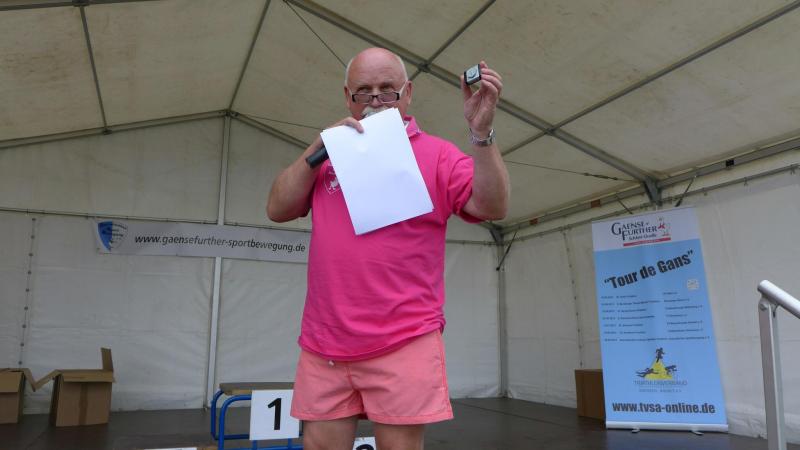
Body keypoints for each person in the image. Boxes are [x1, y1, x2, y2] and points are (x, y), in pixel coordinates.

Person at [267, 47, 509, 450]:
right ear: (348, 97)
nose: (376, 100)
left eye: (387, 90)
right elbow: (277, 208)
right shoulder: (327, 155)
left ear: (408, 93)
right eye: (364, 91)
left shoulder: (437, 154)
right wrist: (317, 148)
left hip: (404, 338)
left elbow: (492, 206)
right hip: (325, 343)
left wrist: (481, 134)